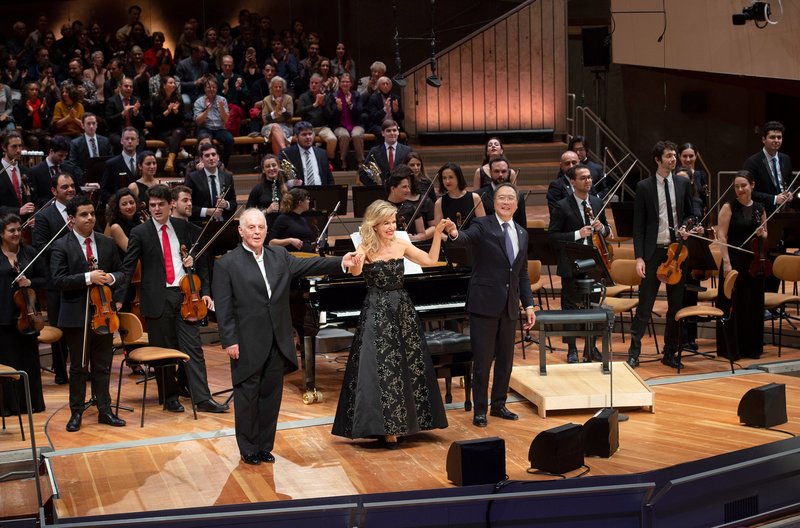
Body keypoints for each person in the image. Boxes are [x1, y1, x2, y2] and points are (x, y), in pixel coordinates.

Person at [212, 208, 358, 465]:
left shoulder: (279, 255)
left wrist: (341, 262)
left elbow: (310, 263)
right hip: (246, 341)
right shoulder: (227, 264)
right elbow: (223, 307)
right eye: (252, 227)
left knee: (271, 397)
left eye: (261, 227)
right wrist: (229, 340)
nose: (257, 231)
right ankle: (248, 448)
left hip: (277, 340)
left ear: (266, 230)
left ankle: (264, 446)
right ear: (241, 231)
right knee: (247, 398)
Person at [332, 201, 448, 448]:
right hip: (376, 312)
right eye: (386, 222)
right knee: (381, 369)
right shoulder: (365, 247)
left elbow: (429, 260)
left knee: (407, 366)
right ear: (374, 224)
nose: (391, 227)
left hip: (402, 309)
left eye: (393, 222)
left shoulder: (401, 244)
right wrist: (356, 259)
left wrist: (437, 234)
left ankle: (408, 423)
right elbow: (355, 273)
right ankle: (387, 429)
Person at [120, 184, 229, 414]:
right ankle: (169, 398)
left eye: (161, 205)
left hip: (186, 296)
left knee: (194, 349)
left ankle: (203, 398)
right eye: (152, 205)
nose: (156, 209)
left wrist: (203, 286)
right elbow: (128, 267)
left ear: (171, 205)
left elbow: (203, 262)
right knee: (164, 351)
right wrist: (119, 300)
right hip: (157, 298)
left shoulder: (185, 228)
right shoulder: (139, 233)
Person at [445, 183, 536, 427]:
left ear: (517, 204)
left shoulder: (522, 233)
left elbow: (522, 273)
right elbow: (464, 239)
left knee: (505, 360)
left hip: (509, 306)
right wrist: (454, 233)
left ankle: (499, 405)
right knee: (483, 360)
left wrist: (529, 305)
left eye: (511, 199)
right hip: (484, 303)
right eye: (502, 198)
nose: (506, 202)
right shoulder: (482, 225)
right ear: (494, 202)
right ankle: (480, 410)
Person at [51, 195, 127, 432]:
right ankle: (76, 413)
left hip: (104, 313)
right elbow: (58, 279)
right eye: (84, 214)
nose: (90, 218)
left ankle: (105, 410)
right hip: (76, 317)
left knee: (103, 366)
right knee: (78, 367)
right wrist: (88, 278)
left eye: (92, 213)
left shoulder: (105, 243)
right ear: (71, 219)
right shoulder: (61, 245)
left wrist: (111, 278)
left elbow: (122, 272)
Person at [626, 141, 696, 369]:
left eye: (674, 156)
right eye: (668, 156)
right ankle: (634, 352)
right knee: (645, 306)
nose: (673, 159)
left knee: (675, 307)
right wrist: (639, 258)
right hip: (653, 252)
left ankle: (670, 352)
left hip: (677, 252)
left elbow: (691, 213)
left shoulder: (682, 183)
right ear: (658, 160)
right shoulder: (644, 187)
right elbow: (637, 226)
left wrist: (688, 225)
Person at [547, 164, 610, 363]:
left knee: (594, 304)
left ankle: (591, 348)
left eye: (589, 177)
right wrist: (578, 234)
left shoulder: (596, 202)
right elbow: (552, 236)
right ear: (573, 182)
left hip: (594, 261)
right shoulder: (562, 206)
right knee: (570, 308)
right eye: (583, 178)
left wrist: (603, 229)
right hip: (571, 262)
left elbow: (608, 231)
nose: (588, 181)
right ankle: (572, 349)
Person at [715, 170, 767, 360]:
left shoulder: (760, 208)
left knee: (751, 304)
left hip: (753, 262)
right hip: (733, 260)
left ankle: (751, 348)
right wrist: (727, 262)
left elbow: (766, 234)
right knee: (733, 304)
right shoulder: (729, 207)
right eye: (737, 186)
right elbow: (722, 236)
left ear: (752, 185)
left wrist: (762, 233)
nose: (740, 189)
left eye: (743, 185)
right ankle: (731, 349)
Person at [0, 213, 46, 415]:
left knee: (29, 362)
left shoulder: (29, 253)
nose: (17, 233)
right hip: (3, 317)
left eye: (19, 229)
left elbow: (47, 280)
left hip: (28, 317)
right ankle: (9, 407)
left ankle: (31, 403)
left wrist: (30, 283)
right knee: (8, 362)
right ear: (1, 233)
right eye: (12, 230)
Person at [33, 173, 76, 385]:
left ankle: (80, 368)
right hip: (56, 281)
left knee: (78, 327)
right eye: (64, 187)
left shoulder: (81, 210)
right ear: (54, 191)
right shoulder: (44, 216)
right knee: (60, 328)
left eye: (72, 186)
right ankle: (60, 370)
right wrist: (66, 250)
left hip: (79, 278)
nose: (70, 190)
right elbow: (40, 247)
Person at [742, 121, 793, 215]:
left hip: (784, 211)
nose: (776, 140)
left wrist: (790, 193)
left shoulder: (786, 159)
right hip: (762, 213)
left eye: (779, 137)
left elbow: (790, 182)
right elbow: (747, 191)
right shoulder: (752, 162)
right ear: (763, 139)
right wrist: (774, 199)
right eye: (772, 137)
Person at [184, 143, 237, 224]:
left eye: (213, 154)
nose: (211, 158)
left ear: (218, 157)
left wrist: (226, 204)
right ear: (201, 159)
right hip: (200, 225)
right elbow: (187, 206)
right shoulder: (192, 178)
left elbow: (234, 203)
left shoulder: (227, 177)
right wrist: (207, 211)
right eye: (207, 155)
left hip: (223, 224)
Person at [26, 135, 83, 208]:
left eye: (65, 156)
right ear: (51, 151)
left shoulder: (69, 169)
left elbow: (78, 192)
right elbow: (35, 199)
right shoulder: (35, 171)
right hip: (47, 212)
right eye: (60, 155)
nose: (63, 159)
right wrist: (56, 203)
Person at [279, 121, 335, 187]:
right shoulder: (286, 154)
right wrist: (291, 183)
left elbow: (329, 178)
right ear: (296, 137)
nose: (308, 137)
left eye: (310, 134)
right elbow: (281, 179)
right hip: (298, 194)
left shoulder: (322, 153)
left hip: (321, 193)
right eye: (304, 134)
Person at [193, 77, 233, 167]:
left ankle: (222, 165)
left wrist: (222, 108)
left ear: (217, 88)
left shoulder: (222, 100)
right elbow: (198, 122)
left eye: (214, 87)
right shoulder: (199, 102)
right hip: (205, 128)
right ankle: (203, 165)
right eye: (209, 87)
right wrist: (207, 109)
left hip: (220, 128)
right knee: (204, 140)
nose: (211, 89)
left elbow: (226, 120)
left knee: (229, 140)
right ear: (204, 88)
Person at [296, 74, 336, 162]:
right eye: (312, 83)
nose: (313, 85)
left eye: (316, 83)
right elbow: (299, 112)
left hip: (323, 127)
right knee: (306, 141)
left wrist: (323, 105)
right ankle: (308, 161)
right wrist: (314, 105)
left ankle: (327, 161)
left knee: (332, 140)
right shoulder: (304, 96)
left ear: (321, 85)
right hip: (308, 128)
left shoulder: (325, 97)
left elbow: (330, 116)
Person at [328, 72, 365, 170]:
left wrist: (350, 104)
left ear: (351, 84)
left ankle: (360, 162)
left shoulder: (356, 95)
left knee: (356, 135)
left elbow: (360, 112)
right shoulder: (334, 96)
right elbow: (330, 116)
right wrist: (338, 109)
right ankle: (342, 160)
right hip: (339, 125)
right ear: (339, 84)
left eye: (347, 82)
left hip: (356, 124)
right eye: (343, 82)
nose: (345, 84)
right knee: (344, 136)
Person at [433, 162, 485, 230]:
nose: (447, 181)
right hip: (450, 240)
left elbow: (483, 226)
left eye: (451, 177)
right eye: (444, 178)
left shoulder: (475, 198)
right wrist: (452, 239)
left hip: (472, 239)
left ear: (458, 178)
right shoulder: (439, 203)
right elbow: (438, 231)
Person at [151, 76, 186, 174]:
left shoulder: (178, 98)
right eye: (170, 83)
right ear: (164, 85)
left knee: (177, 133)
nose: (173, 85)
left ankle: (170, 162)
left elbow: (184, 118)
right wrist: (166, 112)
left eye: (174, 83)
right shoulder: (157, 99)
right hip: (163, 131)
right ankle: (172, 168)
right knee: (173, 141)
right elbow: (154, 121)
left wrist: (176, 112)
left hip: (178, 129)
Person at [479, 156, 528, 228]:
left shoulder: (518, 195)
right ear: (490, 172)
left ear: (508, 172)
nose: (500, 175)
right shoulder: (480, 195)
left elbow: (521, 225)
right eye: (496, 171)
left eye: (504, 171)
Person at [359, 120, 411, 186]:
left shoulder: (407, 150)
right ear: (383, 133)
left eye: (394, 130)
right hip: (381, 192)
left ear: (398, 132)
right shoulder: (374, 151)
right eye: (388, 131)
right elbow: (363, 172)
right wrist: (375, 186)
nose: (392, 133)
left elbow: (411, 172)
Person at [0, 131, 36, 218]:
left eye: (20, 146)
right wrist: (18, 211)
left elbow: (35, 200)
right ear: (4, 148)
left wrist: (34, 216)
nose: (19, 150)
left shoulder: (27, 172)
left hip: (26, 223)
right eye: (14, 147)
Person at [385, 167, 426, 240]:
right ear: (393, 188)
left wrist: (413, 238)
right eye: (404, 187)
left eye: (408, 187)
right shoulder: (381, 209)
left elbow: (422, 234)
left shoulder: (412, 208)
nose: (408, 190)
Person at [100, 127, 140, 204]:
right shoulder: (111, 164)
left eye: (133, 139)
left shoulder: (143, 162)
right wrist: (116, 203)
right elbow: (104, 190)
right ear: (121, 141)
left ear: (138, 141)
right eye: (127, 138)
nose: (130, 141)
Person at [267, 188, 315, 252]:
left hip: (306, 256)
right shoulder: (283, 218)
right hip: (292, 258)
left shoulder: (302, 219)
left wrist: (311, 245)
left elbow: (302, 242)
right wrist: (290, 240)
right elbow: (271, 243)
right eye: (307, 199)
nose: (309, 201)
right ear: (300, 202)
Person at [105, 78, 145, 153]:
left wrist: (136, 113)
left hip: (133, 132)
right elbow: (108, 121)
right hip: (117, 132)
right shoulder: (111, 101)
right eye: (126, 86)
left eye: (131, 87)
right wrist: (122, 114)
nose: (129, 88)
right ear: (120, 87)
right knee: (118, 141)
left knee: (142, 140)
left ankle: (137, 162)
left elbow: (142, 124)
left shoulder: (136, 101)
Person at [246, 154, 286, 227]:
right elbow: (248, 213)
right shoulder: (257, 189)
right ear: (263, 170)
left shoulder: (286, 188)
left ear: (279, 167)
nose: (271, 168)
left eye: (274, 165)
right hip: (265, 227)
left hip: (284, 227)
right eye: (267, 166)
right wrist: (267, 211)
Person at [260, 76, 294, 156]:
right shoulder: (266, 99)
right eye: (275, 87)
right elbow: (265, 119)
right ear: (271, 88)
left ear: (283, 88)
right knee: (275, 126)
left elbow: (290, 118)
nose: (278, 89)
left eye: (280, 87)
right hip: (268, 127)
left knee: (276, 136)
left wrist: (282, 109)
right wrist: (275, 113)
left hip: (285, 126)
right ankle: (285, 150)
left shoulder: (288, 98)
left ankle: (280, 161)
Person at [13, 82, 52, 152]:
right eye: (32, 89)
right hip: (29, 132)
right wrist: (30, 113)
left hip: (41, 132)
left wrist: (42, 111)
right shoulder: (21, 105)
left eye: (36, 90)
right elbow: (22, 124)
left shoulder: (42, 103)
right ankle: (34, 161)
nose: (34, 92)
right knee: (34, 140)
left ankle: (47, 161)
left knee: (48, 140)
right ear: (26, 91)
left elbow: (47, 124)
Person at [545, 150, 580, 215]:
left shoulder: (587, 182)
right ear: (561, 166)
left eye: (574, 162)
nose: (571, 166)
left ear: (579, 163)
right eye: (567, 163)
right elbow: (555, 213)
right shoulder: (556, 186)